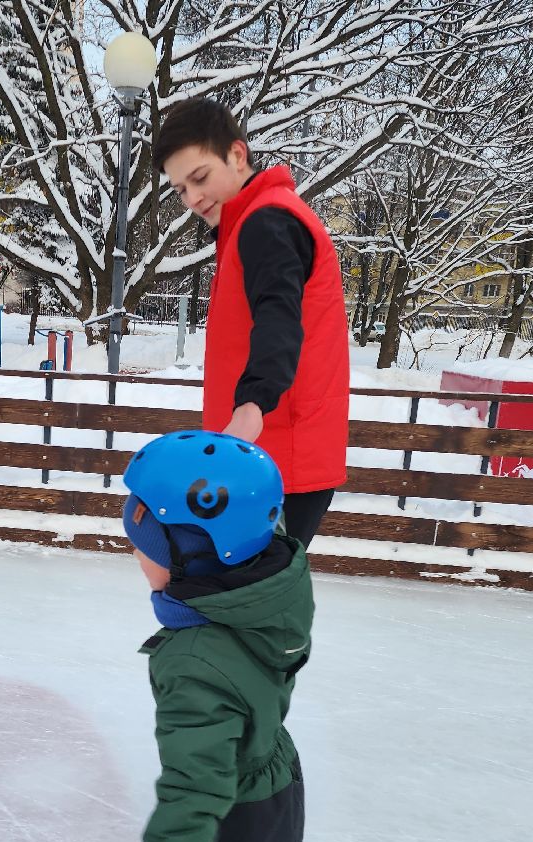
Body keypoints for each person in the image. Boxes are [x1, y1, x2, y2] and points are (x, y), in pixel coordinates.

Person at [116, 430, 310, 842]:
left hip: (233, 817)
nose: (134, 555)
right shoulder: (270, 588)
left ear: (193, 552)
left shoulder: (196, 662)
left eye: (143, 545)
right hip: (280, 791)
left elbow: (194, 793)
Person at [152, 98, 349, 550]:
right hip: (267, 455)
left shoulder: (267, 222)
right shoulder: (254, 221)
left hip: (276, 460)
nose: (193, 198)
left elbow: (280, 317)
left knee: (246, 604)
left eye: (199, 178)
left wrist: (253, 403)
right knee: (246, 603)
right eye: (181, 189)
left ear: (237, 155)